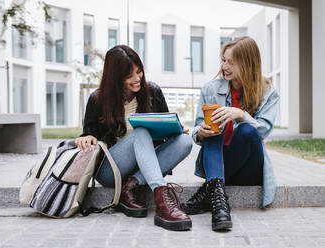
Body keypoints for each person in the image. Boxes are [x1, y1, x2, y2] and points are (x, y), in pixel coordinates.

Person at [75, 45, 193, 231]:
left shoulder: (152, 92)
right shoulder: (97, 99)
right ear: (115, 77)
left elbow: (164, 127)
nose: (137, 79)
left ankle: (130, 186)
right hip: (111, 170)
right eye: (129, 75)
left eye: (139, 72)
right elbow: (89, 133)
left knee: (185, 141)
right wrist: (87, 136)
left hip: (144, 167)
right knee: (141, 132)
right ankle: (162, 201)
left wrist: (176, 130)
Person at [181, 36, 279, 231]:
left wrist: (241, 115)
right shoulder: (210, 89)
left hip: (247, 168)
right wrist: (201, 132)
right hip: (216, 163)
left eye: (231, 62)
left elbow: (263, 130)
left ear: (247, 64)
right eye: (224, 60)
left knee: (247, 130)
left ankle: (208, 193)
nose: (225, 66)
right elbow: (197, 132)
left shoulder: (268, 92)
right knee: (213, 129)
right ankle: (219, 206)